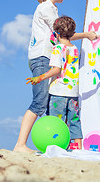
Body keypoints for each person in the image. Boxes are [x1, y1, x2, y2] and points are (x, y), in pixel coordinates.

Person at [13, 0, 97, 153]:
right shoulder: (46, 9)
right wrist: (87, 35)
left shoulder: (52, 9)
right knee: (39, 102)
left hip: (44, 57)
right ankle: (20, 145)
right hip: (42, 57)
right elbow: (64, 35)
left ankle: (50, 144)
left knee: (44, 102)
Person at [26, 16, 83, 148]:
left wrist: (39, 78)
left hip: (58, 92)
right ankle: (78, 147)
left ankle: (55, 146)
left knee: (55, 121)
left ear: (56, 33)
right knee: (74, 120)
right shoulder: (74, 49)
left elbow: (56, 70)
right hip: (73, 92)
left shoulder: (57, 49)